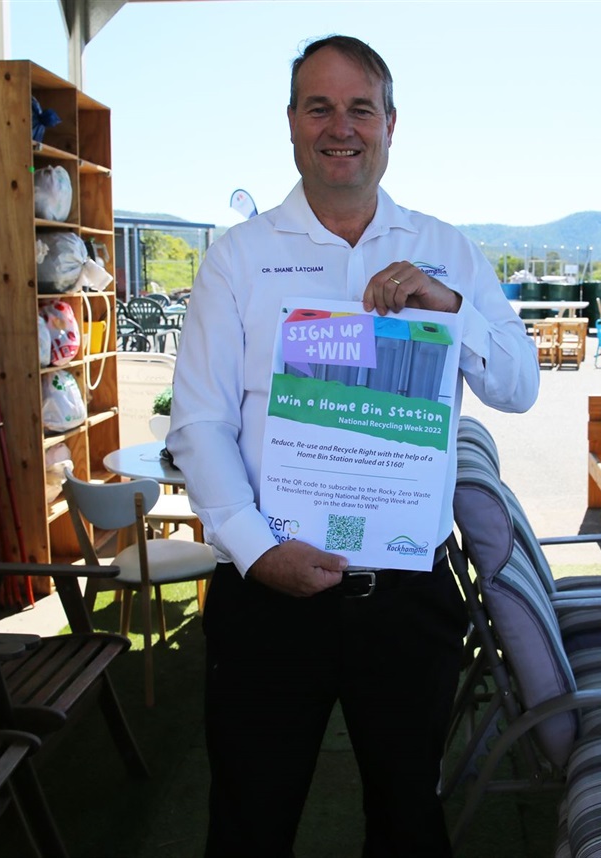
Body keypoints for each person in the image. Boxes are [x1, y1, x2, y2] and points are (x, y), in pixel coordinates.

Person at [167, 34, 539, 857]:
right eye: (320, 107)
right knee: (250, 820)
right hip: (269, 593)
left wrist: (449, 307)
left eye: (359, 108)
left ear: (391, 124)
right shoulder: (239, 259)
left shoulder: (447, 249)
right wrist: (259, 552)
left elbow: (519, 385)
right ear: (292, 124)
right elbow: (198, 425)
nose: (342, 127)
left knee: (409, 817)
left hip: (405, 595)